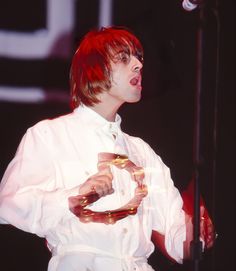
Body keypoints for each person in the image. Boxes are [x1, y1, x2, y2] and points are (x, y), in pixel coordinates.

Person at [0, 26, 215, 271]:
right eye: (124, 58)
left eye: (138, 58)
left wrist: (195, 231)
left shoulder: (142, 153)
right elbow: (9, 204)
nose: (138, 65)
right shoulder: (50, 136)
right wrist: (75, 197)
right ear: (94, 69)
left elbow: (176, 236)